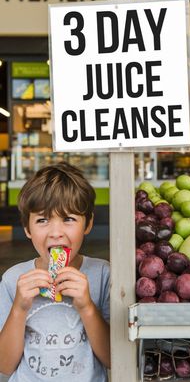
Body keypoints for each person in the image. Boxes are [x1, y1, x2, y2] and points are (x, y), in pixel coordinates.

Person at [0, 162, 110, 381]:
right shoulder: (13, 280)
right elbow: (4, 365)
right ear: (27, 229)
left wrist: (87, 307)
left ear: (88, 224)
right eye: (42, 220)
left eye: (69, 219)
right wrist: (19, 309)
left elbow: (113, 358)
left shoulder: (102, 274)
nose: (56, 233)